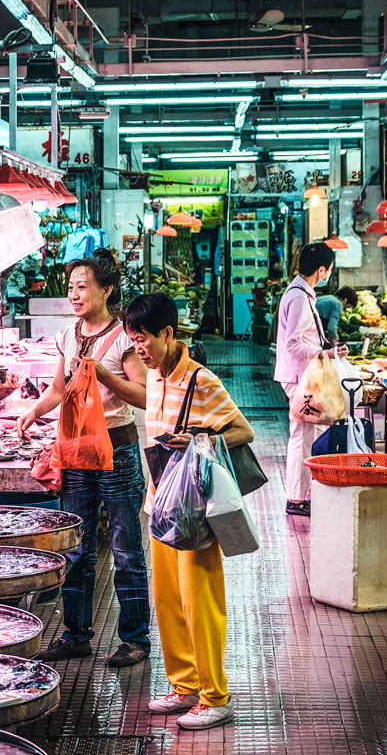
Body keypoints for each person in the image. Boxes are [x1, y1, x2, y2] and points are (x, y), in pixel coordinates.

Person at [124, 291, 254, 731]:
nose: (139, 349)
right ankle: (184, 685)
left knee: (201, 603)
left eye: (143, 340)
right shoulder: (155, 375)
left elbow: (243, 430)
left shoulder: (202, 381)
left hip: (195, 512)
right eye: (132, 340)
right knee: (169, 601)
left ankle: (216, 696)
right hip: (160, 506)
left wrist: (201, 439)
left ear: (167, 333)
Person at [15, 254, 151, 668]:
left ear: (106, 290)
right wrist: (34, 412)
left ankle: (135, 639)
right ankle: (75, 633)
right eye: (71, 286)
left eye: (82, 286)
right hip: (76, 452)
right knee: (76, 546)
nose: (74, 294)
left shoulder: (124, 337)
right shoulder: (68, 336)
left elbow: (144, 393)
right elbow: (58, 388)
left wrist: (105, 376)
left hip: (117, 452)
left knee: (126, 548)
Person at [274, 243, 347, 517]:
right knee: (301, 436)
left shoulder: (302, 295)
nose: (327, 274)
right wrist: (323, 352)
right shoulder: (298, 298)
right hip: (298, 376)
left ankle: (301, 493)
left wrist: (326, 352)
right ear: (321, 270)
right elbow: (293, 344)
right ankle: (295, 499)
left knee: (307, 434)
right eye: (328, 270)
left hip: (305, 374)